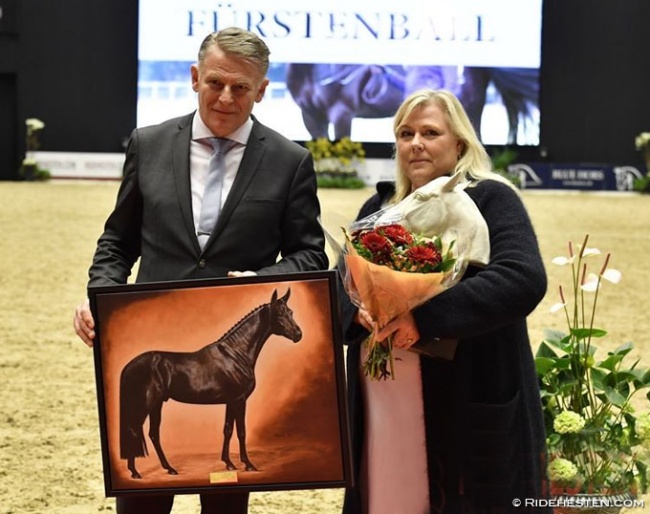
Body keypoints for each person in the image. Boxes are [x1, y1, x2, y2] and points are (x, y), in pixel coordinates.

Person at [72, 27, 328, 514]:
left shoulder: (290, 161)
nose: (226, 97)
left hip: (229, 359)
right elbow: (117, 242)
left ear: (263, 90)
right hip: (154, 333)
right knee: (142, 497)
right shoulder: (147, 145)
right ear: (194, 78)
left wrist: (262, 282)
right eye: (215, 82)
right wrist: (101, 295)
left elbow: (309, 254)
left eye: (241, 88)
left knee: (225, 502)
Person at [338, 89, 550, 514]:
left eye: (430, 132)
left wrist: (424, 316)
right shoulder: (377, 207)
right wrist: (358, 313)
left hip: (467, 402)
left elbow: (522, 278)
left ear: (460, 144)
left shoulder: (492, 199)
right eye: (405, 133)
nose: (415, 142)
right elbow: (341, 291)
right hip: (383, 405)